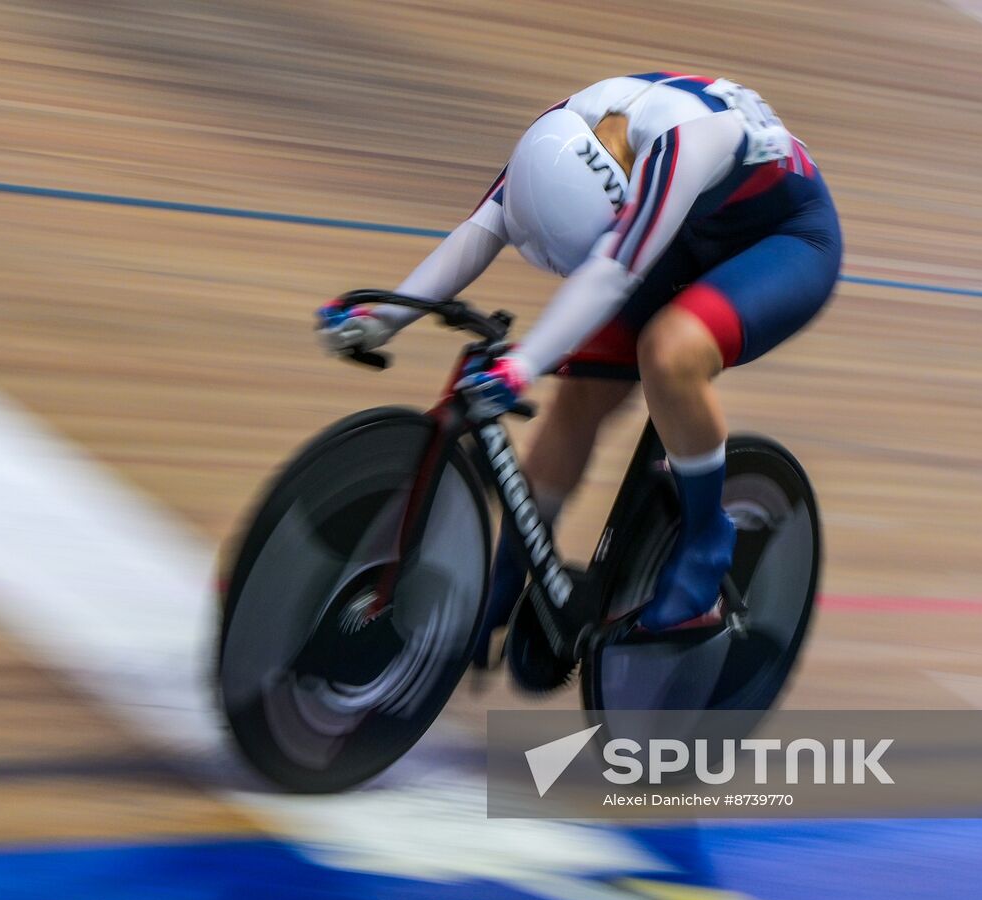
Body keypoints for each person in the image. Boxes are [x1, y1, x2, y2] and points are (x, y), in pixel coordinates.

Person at [316, 71, 842, 659]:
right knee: (581, 395)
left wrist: (520, 368)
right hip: (681, 226)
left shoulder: (687, 143)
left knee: (670, 352)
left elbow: (609, 273)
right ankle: (511, 577)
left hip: (783, 242)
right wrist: (383, 317)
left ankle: (706, 539)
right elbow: (481, 230)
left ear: (615, 211)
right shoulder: (558, 135)